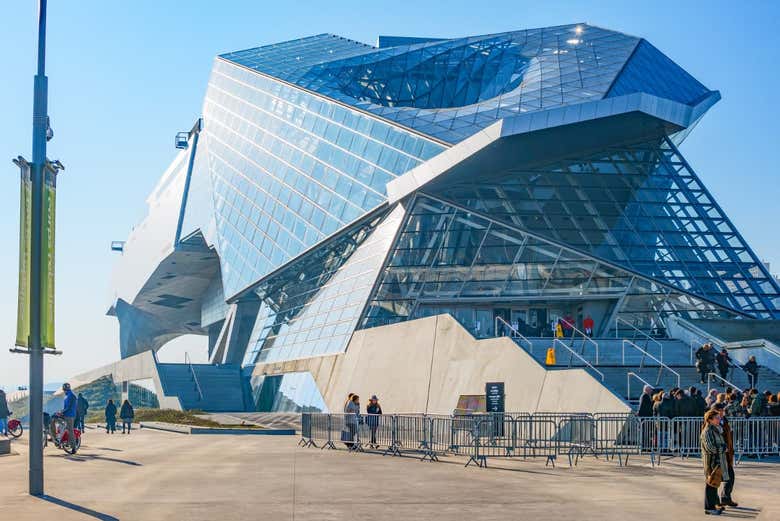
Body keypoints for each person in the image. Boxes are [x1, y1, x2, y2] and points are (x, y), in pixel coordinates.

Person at [700, 409, 729, 515]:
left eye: (719, 417)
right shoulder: (707, 431)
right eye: (717, 418)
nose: (719, 419)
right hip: (711, 461)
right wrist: (723, 448)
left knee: (714, 484)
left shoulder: (716, 429)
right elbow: (710, 447)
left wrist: (723, 447)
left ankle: (713, 505)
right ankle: (709, 507)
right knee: (710, 485)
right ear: (710, 419)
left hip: (717, 461)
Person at [713, 403, 738, 508]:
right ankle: (715, 502)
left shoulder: (724, 420)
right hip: (718, 454)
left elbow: (729, 435)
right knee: (715, 480)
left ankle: (725, 497)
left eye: (723, 410)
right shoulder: (712, 422)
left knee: (730, 476)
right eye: (720, 410)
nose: (722, 412)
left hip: (727, 453)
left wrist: (731, 449)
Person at [52, 383, 78, 452]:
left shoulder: (71, 396)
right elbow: (66, 407)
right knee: (55, 420)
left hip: (70, 416)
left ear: (65, 389)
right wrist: (60, 412)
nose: (64, 391)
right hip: (66, 414)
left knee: (70, 430)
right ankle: (57, 439)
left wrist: (61, 412)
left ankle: (73, 447)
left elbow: (69, 407)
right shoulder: (67, 396)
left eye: (64, 389)